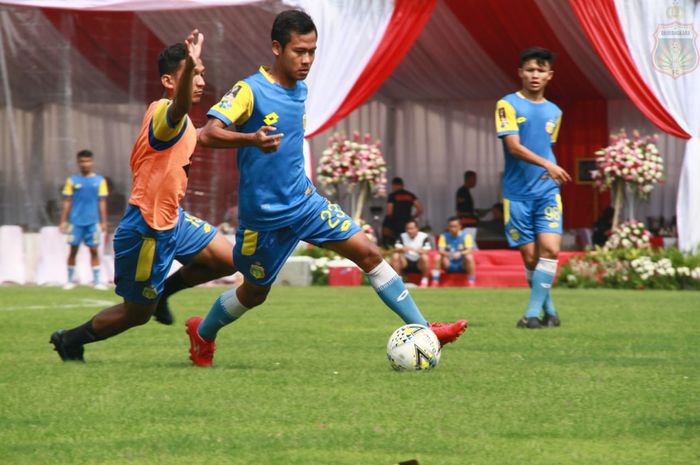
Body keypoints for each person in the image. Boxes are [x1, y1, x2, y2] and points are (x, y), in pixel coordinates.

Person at [187, 10, 467, 367]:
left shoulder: (300, 88)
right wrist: (251, 139)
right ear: (276, 48)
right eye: (299, 51)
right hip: (263, 218)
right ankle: (203, 333)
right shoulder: (249, 90)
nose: (306, 60)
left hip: (305, 203)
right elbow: (206, 133)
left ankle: (424, 328)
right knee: (254, 293)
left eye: (312, 51)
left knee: (368, 253)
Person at [50, 30, 237, 362]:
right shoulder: (167, 113)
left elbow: (204, 135)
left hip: (171, 219)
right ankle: (69, 339)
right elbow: (180, 106)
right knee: (137, 312)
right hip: (147, 229)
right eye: (193, 73)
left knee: (226, 259)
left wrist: (254, 138)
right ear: (169, 80)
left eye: (202, 73)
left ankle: (164, 293)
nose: (200, 80)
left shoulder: (178, 122)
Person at [495, 46, 572, 329]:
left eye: (541, 70)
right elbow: (514, 147)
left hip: (546, 191)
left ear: (550, 75)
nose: (535, 75)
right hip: (516, 195)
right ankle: (549, 310)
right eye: (530, 70)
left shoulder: (555, 112)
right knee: (530, 257)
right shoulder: (507, 105)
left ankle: (530, 315)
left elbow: (546, 147)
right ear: (520, 73)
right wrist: (549, 165)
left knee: (550, 250)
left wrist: (548, 169)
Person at [59, 150, 109, 290]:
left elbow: (102, 202)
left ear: (92, 162)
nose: (85, 164)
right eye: (82, 161)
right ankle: (69, 280)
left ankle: (97, 281)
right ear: (78, 162)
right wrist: (63, 221)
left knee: (94, 250)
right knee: (73, 250)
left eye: (87, 161)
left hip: (92, 222)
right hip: (75, 222)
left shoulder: (99, 181)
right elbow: (67, 202)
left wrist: (103, 221)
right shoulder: (72, 181)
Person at [433, 217, 476, 287]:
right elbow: (440, 250)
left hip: (462, 264)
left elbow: (470, 250)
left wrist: (460, 253)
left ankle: (471, 282)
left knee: (469, 257)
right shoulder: (444, 236)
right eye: (451, 226)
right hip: (448, 263)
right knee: (438, 257)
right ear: (448, 227)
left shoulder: (466, 236)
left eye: (455, 226)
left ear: (460, 226)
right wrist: (449, 254)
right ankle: (435, 282)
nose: (453, 228)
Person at [382, 177, 423, 247]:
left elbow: (389, 211)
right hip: (406, 220)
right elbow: (420, 209)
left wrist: (388, 222)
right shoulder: (410, 195)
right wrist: (413, 217)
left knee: (391, 239)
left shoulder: (392, 196)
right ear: (402, 185)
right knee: (405, 239)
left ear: (394, 185)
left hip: (395, 221)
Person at [390, 219, 432, 288]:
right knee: (395, 256)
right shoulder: (402, 236)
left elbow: (427, 250)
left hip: (419, 263)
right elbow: (397, 249)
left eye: (412, 229)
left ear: (417, 228)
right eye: (408, 229)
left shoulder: (424, 236)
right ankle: (398, 282)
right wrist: (403, 249)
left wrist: (418, 250)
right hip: (406, 262)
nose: (410, 231)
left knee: (425, 257)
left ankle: (425, 281)